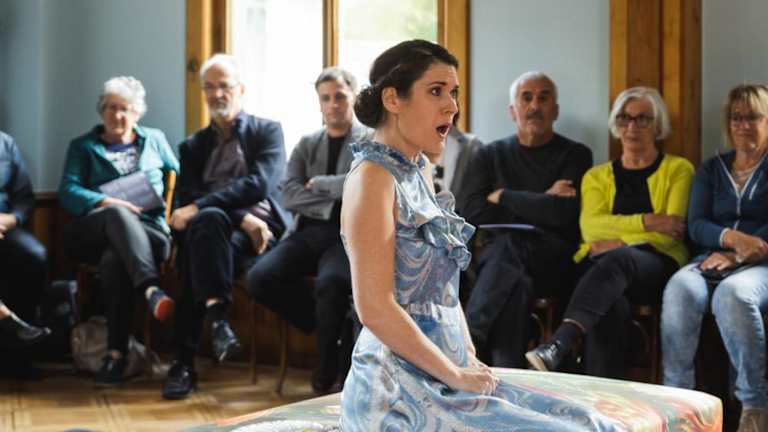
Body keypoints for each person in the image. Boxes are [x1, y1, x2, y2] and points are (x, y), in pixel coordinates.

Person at [340, 39, 610, 431]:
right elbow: (375, 308)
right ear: (393, 99)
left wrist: (468, 358)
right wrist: (455, 374)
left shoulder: (419, 170)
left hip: (450, 370)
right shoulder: (372, 178)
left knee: (591, 422)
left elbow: (445, 297)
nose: (452, 106)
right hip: (398, 387)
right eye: (436, 91)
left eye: (454, 93)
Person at [526, 86, 694, 379]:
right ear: (616, 125)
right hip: (602, 271)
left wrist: (618, 240)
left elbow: (671, 232)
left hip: (655, 265)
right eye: (624, 118)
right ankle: (600, 396)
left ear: (658, 126)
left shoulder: (679, 169)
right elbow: (591, 228)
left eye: (642, 119)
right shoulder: (596, 176)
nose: (632, 127)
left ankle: (560, 342)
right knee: (611, 304)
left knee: (619, 259)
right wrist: (648, 222)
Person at [162, 54, 290, 400]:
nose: (217, 93)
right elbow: (187, 195)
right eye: (209, 87)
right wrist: (239, 217)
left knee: (198, 249)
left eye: (224, 86)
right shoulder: (192, 146)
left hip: (260, 236)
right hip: (223, 230)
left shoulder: (268, 131)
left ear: (241, 89)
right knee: (208, 227)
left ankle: (183, 363)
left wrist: (204, 207)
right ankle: (218, 320)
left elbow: (258, 185)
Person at [247, 67, 371, 394]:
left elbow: (365, 184)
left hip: (347, 235)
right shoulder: (307, 143)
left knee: (332, 284)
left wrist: (320, 184)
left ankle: (328, 364)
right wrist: (332, 201)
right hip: (307, 232)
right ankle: (329, 329)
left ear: (353, 97)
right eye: (325, 98)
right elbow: (289, 194)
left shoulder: (371, 141)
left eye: (340, 96)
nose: (333, 104)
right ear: (319, 103)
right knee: (259, 277)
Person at [461, 71, 592, 367]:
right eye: (526, 98)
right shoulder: (488, 155)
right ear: (513, 111)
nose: (535, 106)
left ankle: (469, 338)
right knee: (514, 278)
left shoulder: (576, 154)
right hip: (497, 261)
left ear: (555, 110)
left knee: (509, 246)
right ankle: (507, 373)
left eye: (543, 98)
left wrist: (503, 196)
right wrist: (543, 199)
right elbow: (471, 211)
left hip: (552, 260)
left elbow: (564, 214)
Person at [661, 84, 768, 432]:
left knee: (733, 294)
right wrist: (731, 240)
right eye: (736, 118)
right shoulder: (711, 169)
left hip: (762, 265)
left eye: (753, 117)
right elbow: (696, 225)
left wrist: (741, 255)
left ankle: (754, 407)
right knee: (679, 289)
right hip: (711, 258)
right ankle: (679, 405)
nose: (743, 125)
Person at [59, 76, 179, 383]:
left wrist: (180, 217)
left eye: (125, 108)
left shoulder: (154, 139)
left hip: (149, 231)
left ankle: (115, 356)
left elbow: (180, 179)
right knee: (115, 213)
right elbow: (68, 191)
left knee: (115, 260)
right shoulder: (82, 147)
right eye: (111, 107)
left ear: (137, 113)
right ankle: (151, 288)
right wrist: (105, 201)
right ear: (101, 111)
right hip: (96, 231)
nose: (117, 115)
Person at [0, 130, 51, 376]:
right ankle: (9, 323)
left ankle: (18, 356)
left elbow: (24, 198)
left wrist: (10, 219)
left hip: (3, 225)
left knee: (33, 255)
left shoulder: (5, 143)